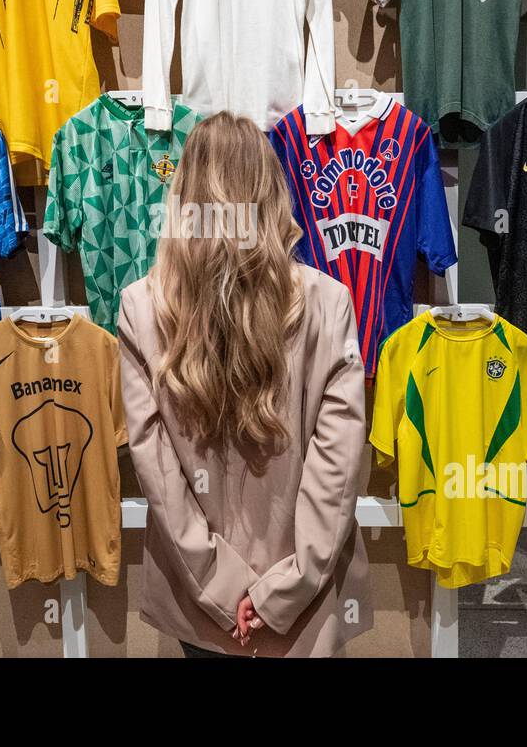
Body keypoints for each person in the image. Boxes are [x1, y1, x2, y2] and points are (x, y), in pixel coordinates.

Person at [118, 111, 373, 657]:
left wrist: (222, 585)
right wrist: (288, 587)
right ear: (271, 193)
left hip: (201, 602)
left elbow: (157, 472)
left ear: (184, 195)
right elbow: (339, 467)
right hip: (303, 600)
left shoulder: (142, 307)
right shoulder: (328, 303)